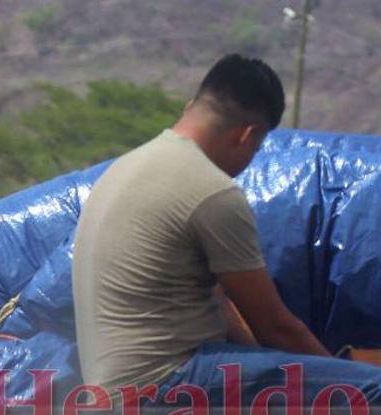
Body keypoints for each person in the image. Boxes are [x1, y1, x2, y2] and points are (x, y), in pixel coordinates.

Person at [72, 54, 330, 395]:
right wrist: (341, 379)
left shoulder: (125, 167)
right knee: (379, 392)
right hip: (166, 385)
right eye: (256, 149)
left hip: (111, 391)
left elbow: (220, 304)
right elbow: (275, 326)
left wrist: (264, 361)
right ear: (247, 136)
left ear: (190, 107)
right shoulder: (212, 192)